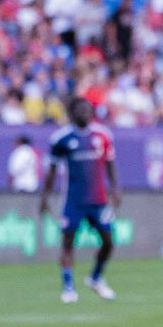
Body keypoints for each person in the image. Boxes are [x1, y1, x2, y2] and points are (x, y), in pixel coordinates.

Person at [39, 97, 120, 304]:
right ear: (72, 113)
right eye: (80, 110)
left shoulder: (103, 135)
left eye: (87, 110)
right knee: (68, 242)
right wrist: (44, 197)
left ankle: (95, 278)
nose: (84, 113)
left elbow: (110, 163)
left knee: (108, 241)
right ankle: (68, 287)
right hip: (73, 200)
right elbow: (51, 171)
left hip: (98, 199)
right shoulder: (61, 139)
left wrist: (115, 189)